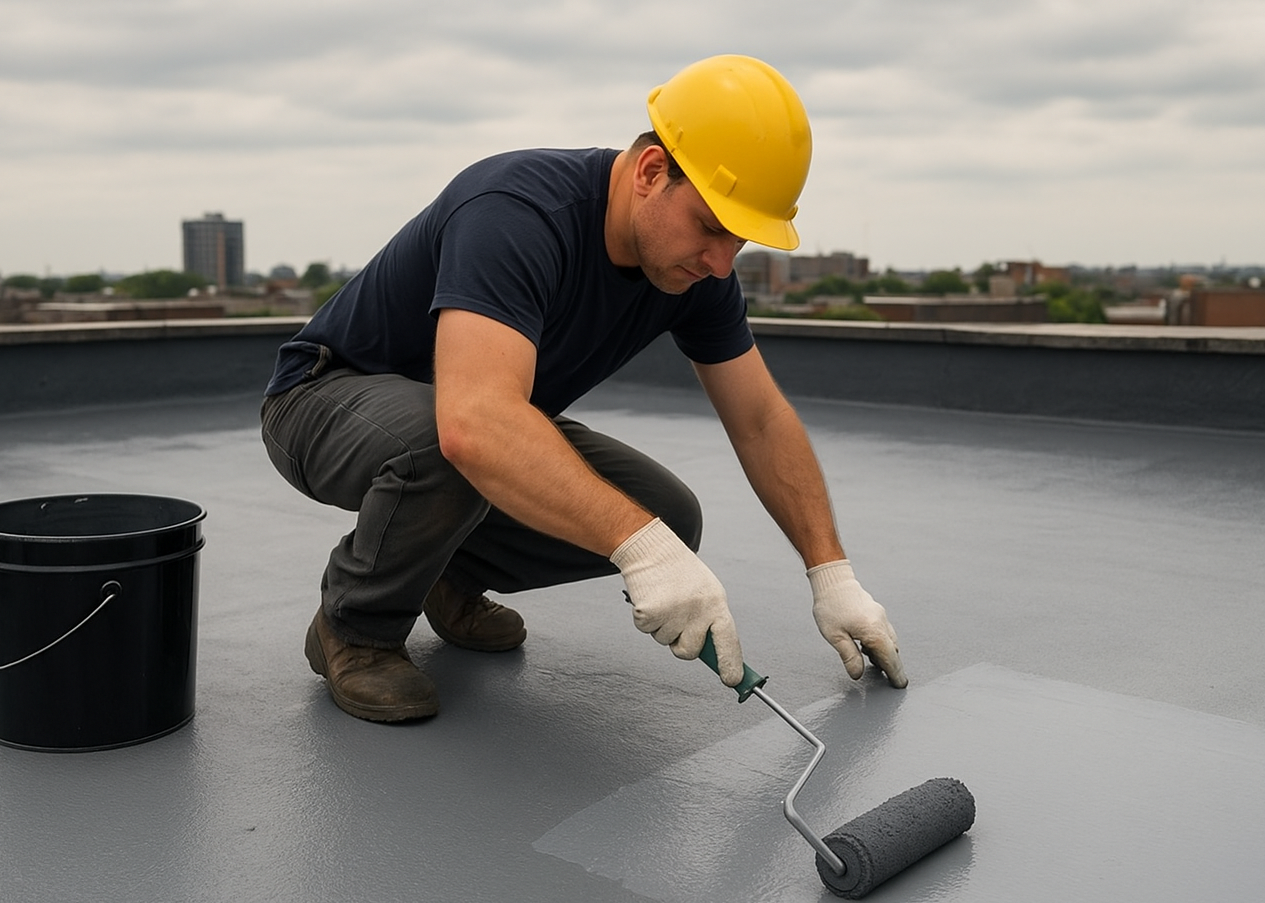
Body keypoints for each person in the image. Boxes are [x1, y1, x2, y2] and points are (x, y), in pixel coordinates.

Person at [261, 54, 906, 723]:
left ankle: (443, 573)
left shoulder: (695, 275)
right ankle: (355, 628)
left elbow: (761, 421)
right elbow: (474, 422)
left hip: (461, 427)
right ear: (652, 172)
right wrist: (641, 549)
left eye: (738, 243)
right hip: (321, 400)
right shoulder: (518, 210)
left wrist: (831, 575)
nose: (721, 262)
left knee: (665, 512)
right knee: (454, 442)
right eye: (712, 227)